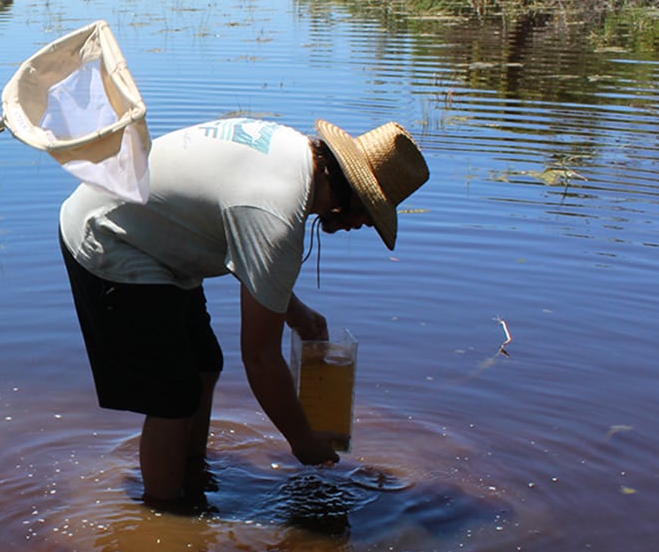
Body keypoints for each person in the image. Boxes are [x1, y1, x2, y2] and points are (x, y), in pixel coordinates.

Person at [58, 116, 428, 506]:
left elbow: (247, 240)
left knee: (205, 364)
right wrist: (303, 443)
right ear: (349, 195)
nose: (365, 224)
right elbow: (260, 358)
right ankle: (166, 516)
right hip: (110, 236)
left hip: (154, 237)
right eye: (371, 211)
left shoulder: (294, 155)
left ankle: (192, 472)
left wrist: (297, 314)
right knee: (173, 396)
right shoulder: (278, 212)